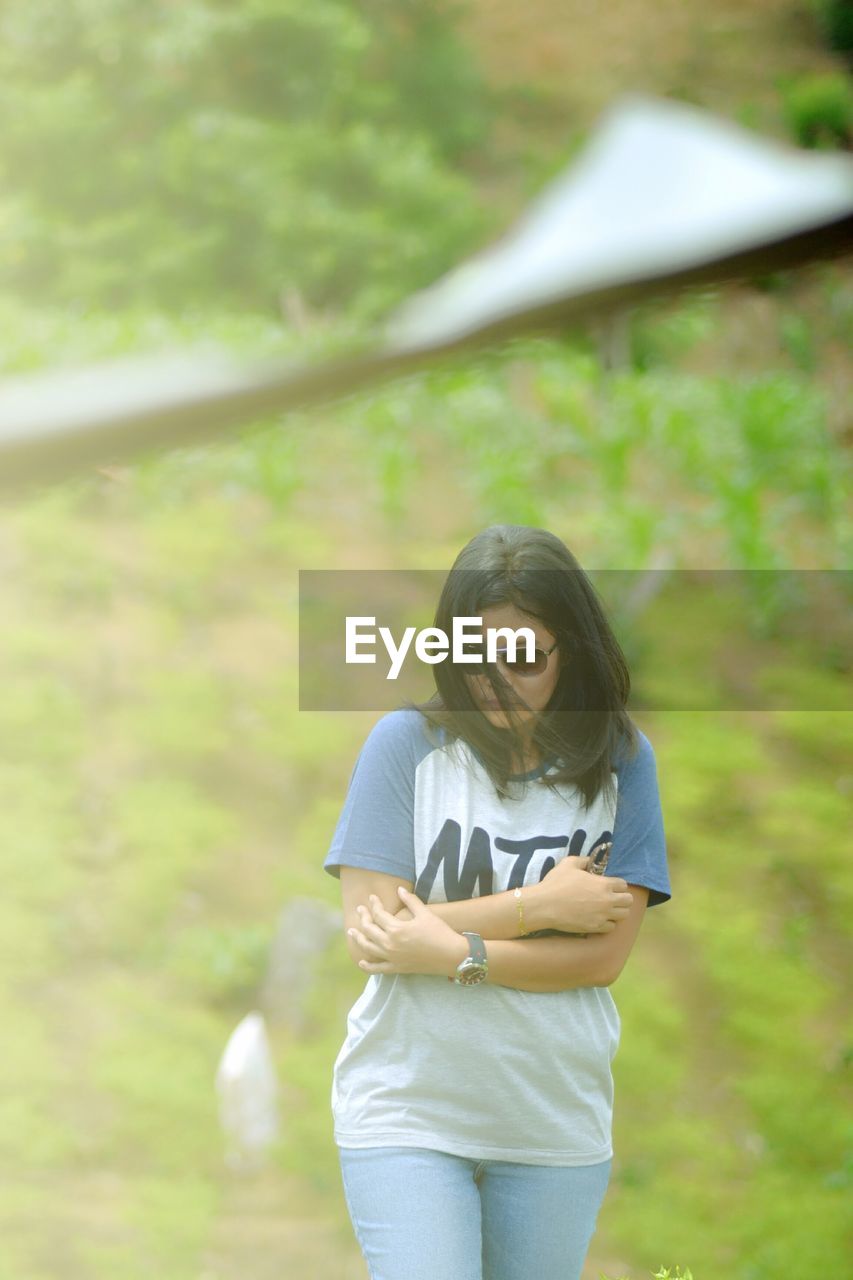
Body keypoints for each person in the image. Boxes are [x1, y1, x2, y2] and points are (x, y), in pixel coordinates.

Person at [322, 525, 671, 1280]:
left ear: (568, 649)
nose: (495, 679)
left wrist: (447, 949)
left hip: (550, 1123)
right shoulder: (404, 747)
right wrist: (531, 908)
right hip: (407, 1112)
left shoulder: (620, 763)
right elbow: (369, 933)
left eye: (523, 657)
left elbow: (602, 957)